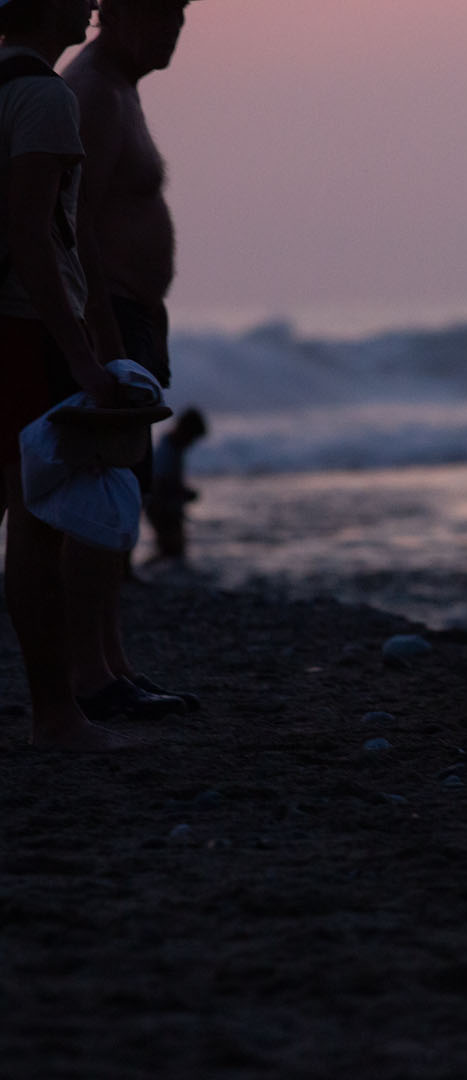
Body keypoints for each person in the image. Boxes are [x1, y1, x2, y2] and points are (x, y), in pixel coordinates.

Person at [0, 0, 132, 749]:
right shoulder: (47, 97)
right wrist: (81, 353)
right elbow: (31, 236)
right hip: (22, 331)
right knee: (37, 522)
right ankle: (57, 714)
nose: (89, 2)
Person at [62, 0, 198, 717]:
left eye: (180, 13)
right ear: (113, 14)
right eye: (160, 13)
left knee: (125, 496)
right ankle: (91, 674)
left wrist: (153, 318)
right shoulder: (90, 92)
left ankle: (112, 662)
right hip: (108, 320)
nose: (174, 27)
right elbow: (72, 226)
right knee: (100, 500)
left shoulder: (121, 89)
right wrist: (109, 351)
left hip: (132, 317)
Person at [143, 403, 203, 560]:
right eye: (192, 437)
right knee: (170, 551)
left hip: (165, 508)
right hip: (163, 509)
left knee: (170, 551)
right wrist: (183, 493)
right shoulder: (168, 449)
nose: (192, 443)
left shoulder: (173, 448)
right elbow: (160, 483)